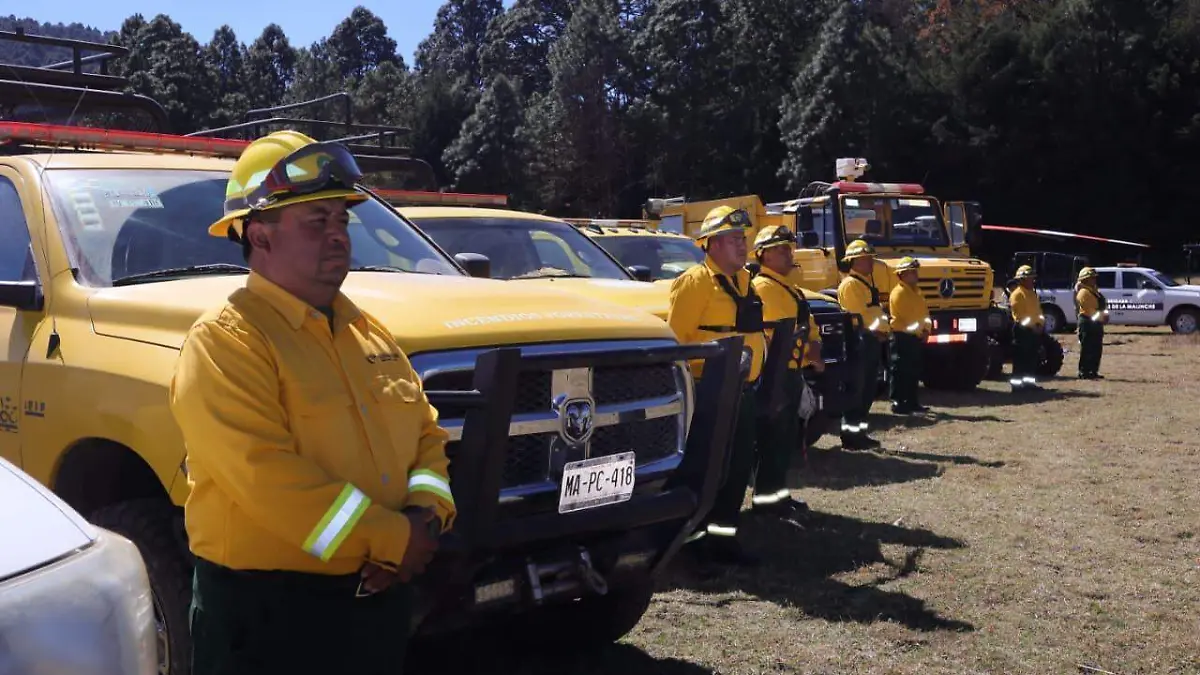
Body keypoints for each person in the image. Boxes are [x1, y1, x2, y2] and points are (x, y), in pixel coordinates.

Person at [171, 130, 454, 674]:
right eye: (316, 222)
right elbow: (267, 481)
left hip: (374, 608)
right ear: (260, 235)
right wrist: (396, 539)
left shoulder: (369, 334)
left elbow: (427, 437)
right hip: (264, 620)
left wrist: (427, 518)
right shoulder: (227, 341)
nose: (338, 237)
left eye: (342, 220)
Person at [667, 205, 767, 566]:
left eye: (743, 239)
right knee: (702, 470)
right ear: (711, 244)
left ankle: (724, 538)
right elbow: (676, 342)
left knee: (736, 468)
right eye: (733, 240)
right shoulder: (695, 282)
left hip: (742, 390)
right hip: (707, 392)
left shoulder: (745, 282)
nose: (743, 246)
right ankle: (691, 548)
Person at [749, 225, 823, 518]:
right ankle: (766, 502)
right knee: (773, 439)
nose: (788, 252)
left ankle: (778, 495)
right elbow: (778, 336)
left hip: (792, 372)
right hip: (777, 374)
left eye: (789, 247)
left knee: (785, 438)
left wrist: (813, 344)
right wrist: (810, 351)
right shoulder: (765, 287)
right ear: (763, 254)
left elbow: (808, 324)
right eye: (780, 248)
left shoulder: (787, 287)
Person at [836, 239, 889, 449]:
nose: (870, 263)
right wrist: (875, 332)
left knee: (867, 390)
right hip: (861, 342)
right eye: (865, 259)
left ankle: (860, 433)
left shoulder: (865, 284)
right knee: (858, 390)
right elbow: (856, 317)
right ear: (853, 262)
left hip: (872, 341)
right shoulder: (850, 285)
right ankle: (850, 437)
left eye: (870, 259)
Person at [887, 256, 932, 414]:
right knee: (901, 371)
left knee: (913, 371)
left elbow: (924, 313)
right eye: (912, 272)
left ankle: (912, 402)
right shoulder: (899, 293)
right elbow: (908, 317)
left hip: (915, 337)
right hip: (902, 337)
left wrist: (927, 329)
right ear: (903, 275)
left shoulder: (917, 292)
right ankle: (899, 403)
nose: (916, 275)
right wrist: (921, 331)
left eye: (915, 271)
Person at [1008, 264, 1045, 391]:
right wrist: (1032, 327)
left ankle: (1029, 384)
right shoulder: (1017, 295)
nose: (1032, 280)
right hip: (1022, 331)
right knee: (1021, 359)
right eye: (1030, 278)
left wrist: (1040, 325)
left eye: (1033, 278)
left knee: (1032, 359)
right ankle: (1017, 387)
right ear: (1022, 279)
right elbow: (1020, 316)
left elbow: (1038, 311)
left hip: (1035, 331)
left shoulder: (1032, 294)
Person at [1074, 266, 1109, 379]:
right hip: (1087, 322)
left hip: (1096, 322)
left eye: (1094, 277)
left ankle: (1093, 371)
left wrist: (1104, 315)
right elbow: (1090, 310)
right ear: (1085, 279)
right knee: (1087, 348)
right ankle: (1084, 372)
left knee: (1096, 348)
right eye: (1091, 278)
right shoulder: (1083, 292)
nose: (1094, 279)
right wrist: (1102, 317)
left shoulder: (1094, 291)